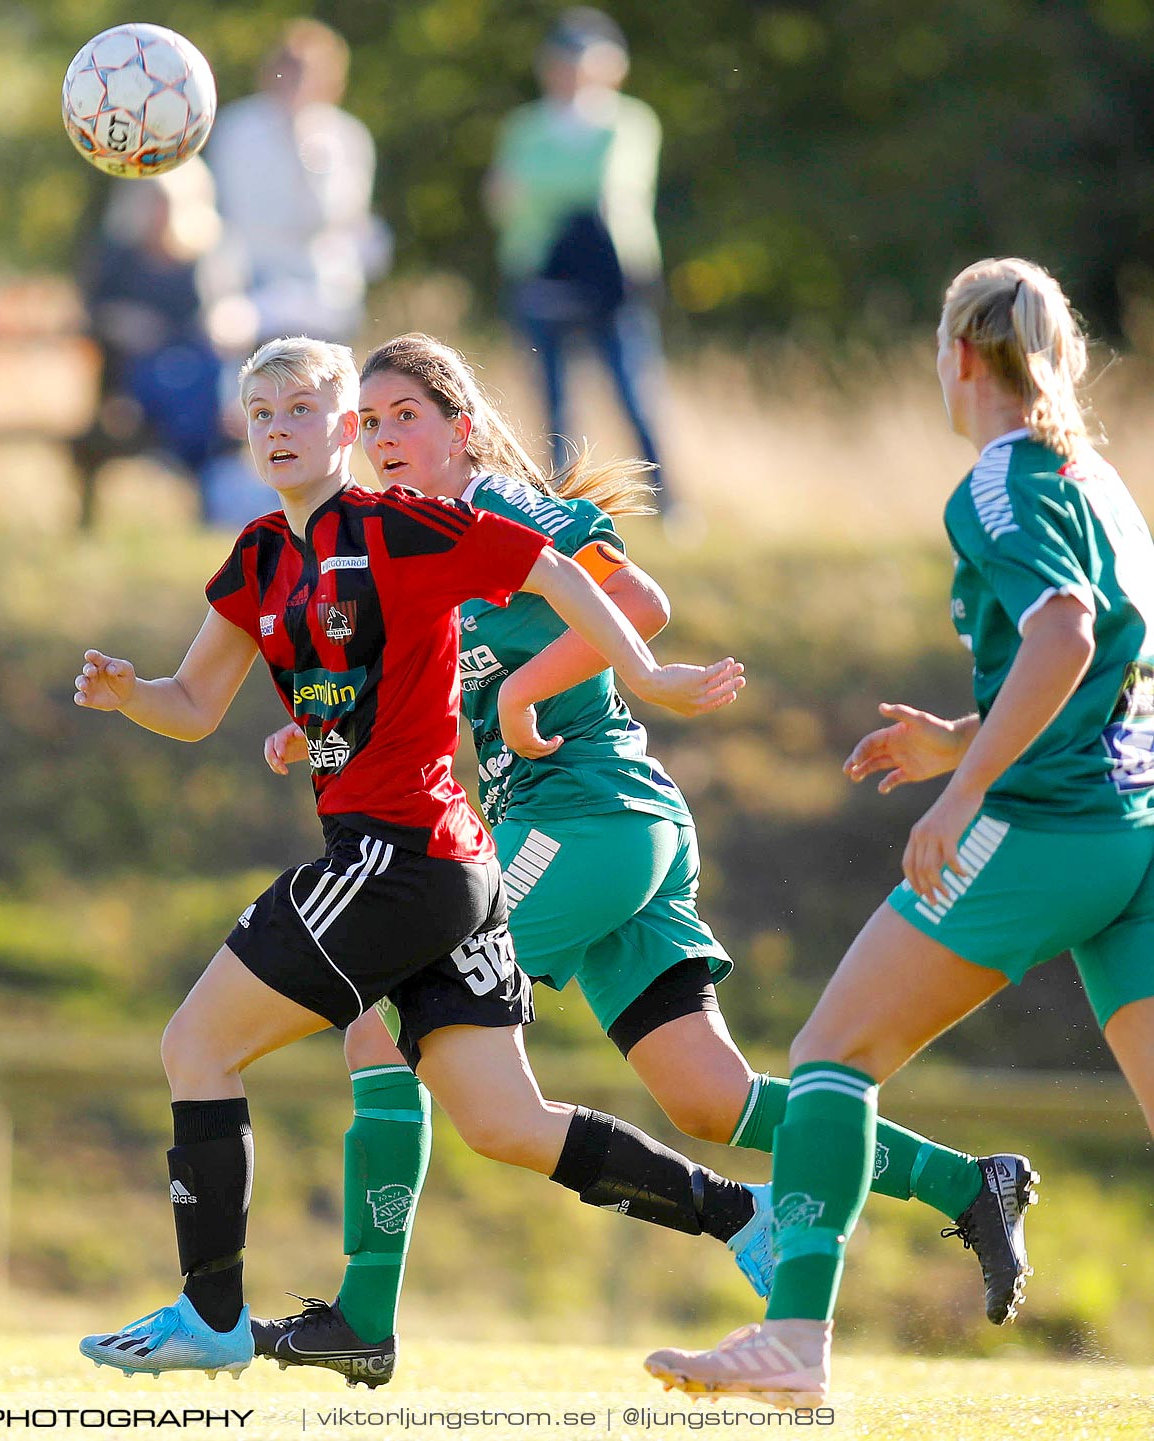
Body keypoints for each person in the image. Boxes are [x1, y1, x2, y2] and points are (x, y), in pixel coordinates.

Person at [248, 333, 1037, 1385]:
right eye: (376, 422)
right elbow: (416, 688)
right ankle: (966, 1185)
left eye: (408, 417)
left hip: (591, 815)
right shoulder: (416, 547)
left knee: (379, 1013)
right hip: (597, 828)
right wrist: (318, 726)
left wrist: (528, 693)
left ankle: (363, 1314)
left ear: (460, 427)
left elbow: (644, 606)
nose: (387, 440)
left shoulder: (510, 512)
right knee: (708, 1099)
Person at [72, 334, 746, 1379]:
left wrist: (647, 675)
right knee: (506, 1121)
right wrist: (129, 695)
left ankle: (214, 1316)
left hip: (401, 856)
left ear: (343, 429)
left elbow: (559, 571)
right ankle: (740, 1217)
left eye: (302, 410)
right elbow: (196, 704)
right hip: (442, 863)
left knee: (195, 1046)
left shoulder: (403, 526)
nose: (279, 429)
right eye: (260, 415)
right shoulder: (259, 557)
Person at [644, 257, 1154, 1406]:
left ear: (957, 355)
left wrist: (967, 786)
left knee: (833, 1056)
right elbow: (1113, 659)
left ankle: (792, 1345)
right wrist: (964, 734)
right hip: (1134, 829)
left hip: (1045, 831)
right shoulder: (1100, 479)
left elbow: (1067, 635)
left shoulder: (997, 480)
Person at [487, 9, 671, 510]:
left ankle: (665, 500)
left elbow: (608, 183)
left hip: (612, 274)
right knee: (551, 398)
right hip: (539, 270)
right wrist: (543, 188)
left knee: (633, 389)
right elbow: (501, 199)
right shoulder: (525, 126)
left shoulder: (628, 121)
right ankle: (558, 503)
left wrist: (538, 186)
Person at [80, 161, 252, 517]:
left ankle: (208, 478)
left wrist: (227, 322)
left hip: (196, 362)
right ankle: (209, 477)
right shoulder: (117, 258)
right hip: (138, 372)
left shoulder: (205, 259)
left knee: (202, 378)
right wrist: (122, 321)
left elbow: (227, 311)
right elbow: (91, 314)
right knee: (180, 385)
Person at [207, 21, 389, 346]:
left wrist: (306, 151)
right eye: (287, 72)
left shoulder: (346, 137)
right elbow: (230, 212)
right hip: (251, 283)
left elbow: (341, 218)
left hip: (324, 291)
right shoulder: (237, 130)